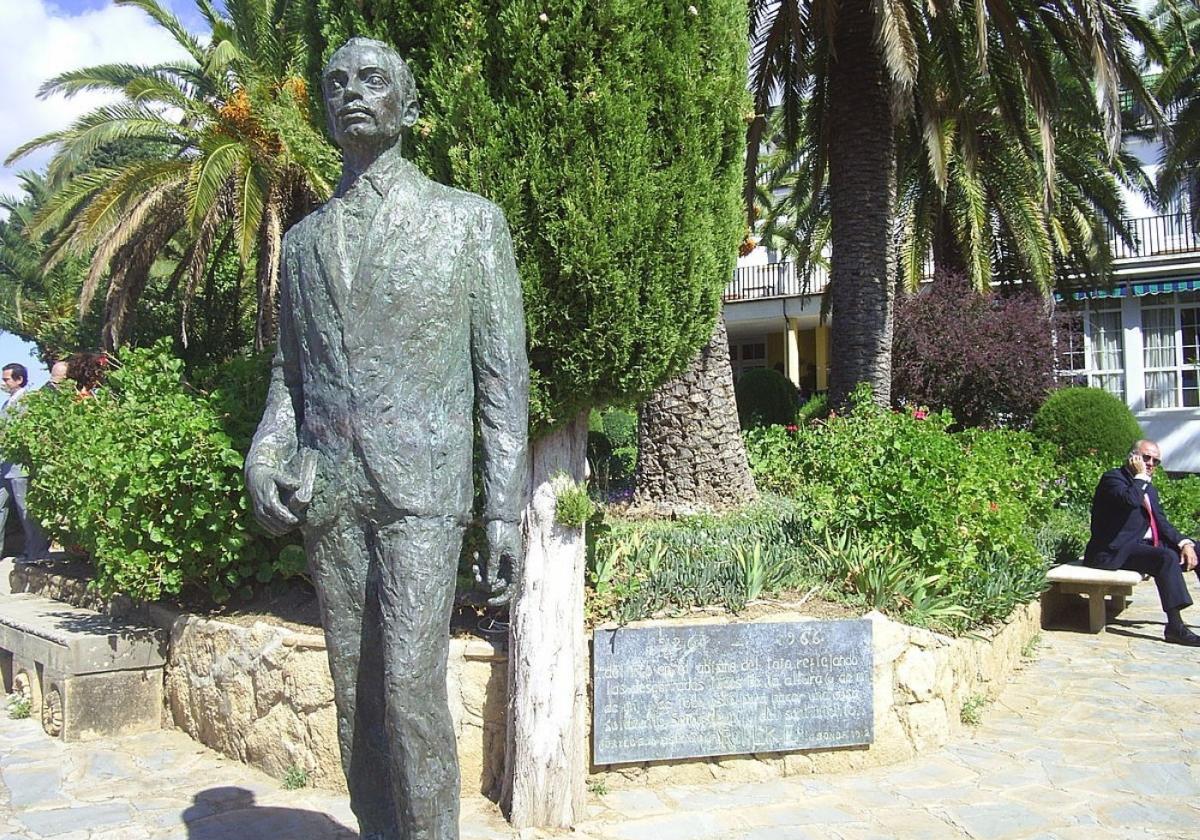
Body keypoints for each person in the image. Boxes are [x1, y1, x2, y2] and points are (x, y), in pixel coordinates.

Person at [245, 38, 529, 840]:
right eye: (336, 84)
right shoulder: (301, 244)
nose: (351, 94)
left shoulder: (468, 223)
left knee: (408, 691)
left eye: (371, 80)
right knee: (354, 697)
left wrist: (501, 511)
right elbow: (288, 380)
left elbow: (502, 379)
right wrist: (265, 454)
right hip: (330, 491)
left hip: (422, 491)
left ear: (406, 100)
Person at [1084, 438, 1200, 645]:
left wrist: (1185, 543)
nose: (1151, 464)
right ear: (1133, 457)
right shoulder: (1113, 479)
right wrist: (1140, 477)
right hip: (1114, 550)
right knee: (1166, 558)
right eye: (1146, 458)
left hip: (1141, 546)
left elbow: (1161, 523)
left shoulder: (1148, 487)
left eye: (1156, 461)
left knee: (1197, 548)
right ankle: (1175, 627)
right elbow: (1129, 501)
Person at [0, 364, 49, 561]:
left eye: (7, 379)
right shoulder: (6, 403)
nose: (4, 383)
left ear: (19, 380)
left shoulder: (29, 402)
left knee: (25, 511)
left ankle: (36, 552)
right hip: (4, 466)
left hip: (19, 467)